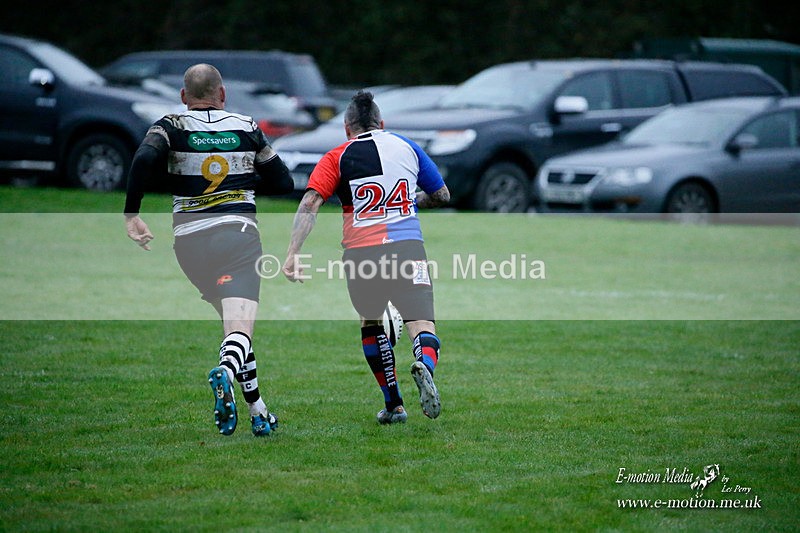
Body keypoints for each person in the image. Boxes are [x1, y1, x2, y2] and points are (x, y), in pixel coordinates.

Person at [124, 63, 293, 437]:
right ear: (223, 94)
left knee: (234, 330)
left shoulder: (170, 125)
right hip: (237, 237)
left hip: (189, 244)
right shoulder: (246, 126)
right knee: (240, 331)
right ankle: (226, 374)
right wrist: (242, 182)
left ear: (184, 97)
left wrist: (132, 212)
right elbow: (283, 181)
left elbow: (143, 159)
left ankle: (258, 411)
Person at [282, 90, 450, 424]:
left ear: (347, 128)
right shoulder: (407, 146)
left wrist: (293, 252)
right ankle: (424, 365)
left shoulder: (336, 156)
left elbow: (310, 203)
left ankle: (394, 406)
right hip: (407, 248)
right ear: (382, 123)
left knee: (371, 323)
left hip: (361, 254)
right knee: (421, 321)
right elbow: (442, 195)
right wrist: (407, 201)